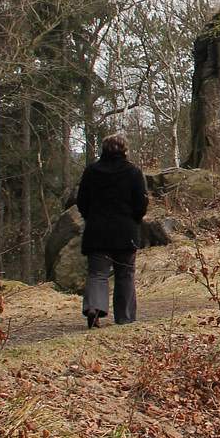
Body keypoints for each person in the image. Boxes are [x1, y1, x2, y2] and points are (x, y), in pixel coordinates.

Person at [75, 132, 147, 327]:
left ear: (103, 150)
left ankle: (94, 308)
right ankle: (125, 317)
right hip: (125, 232)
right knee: (125, 274)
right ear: (125, 150)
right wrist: (135, 219)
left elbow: (81, 201)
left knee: (97, 273)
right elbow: (141, 203)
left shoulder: (91, 171)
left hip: (97, 231)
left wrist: (90, 217)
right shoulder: (133, 172)